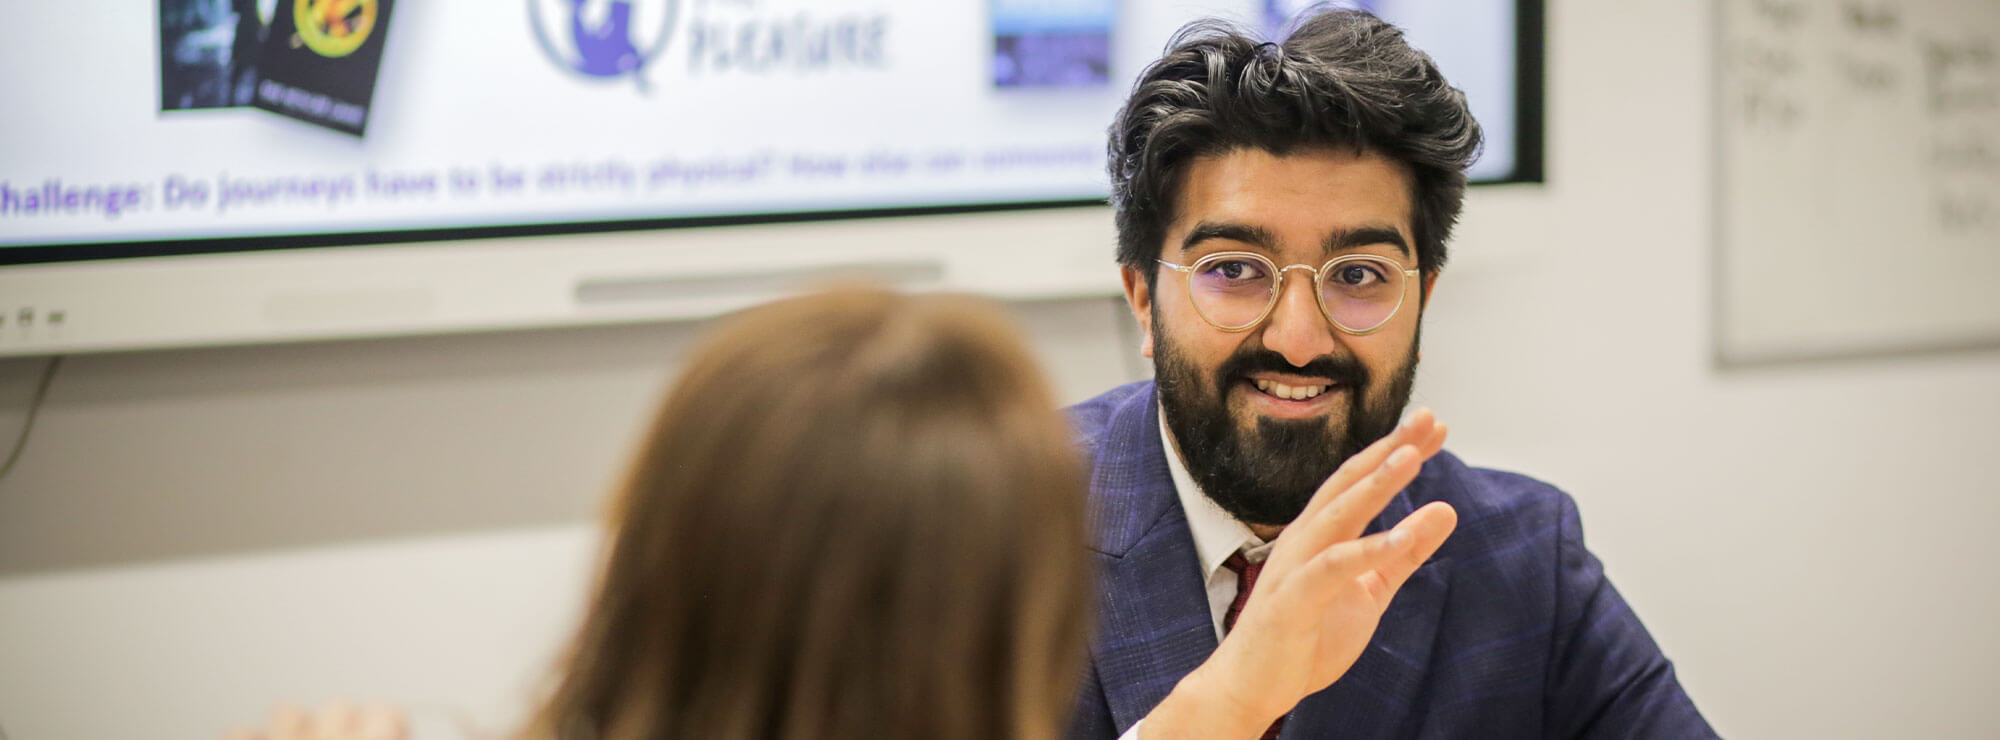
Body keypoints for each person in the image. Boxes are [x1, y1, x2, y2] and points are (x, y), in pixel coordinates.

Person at [1064, 10, 1717, 739]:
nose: (1300, 339)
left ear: (1422, 298)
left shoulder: (1522, 560)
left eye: (1359, 275)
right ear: (1145, 300)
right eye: (1236, 270)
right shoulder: (981, 532)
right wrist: (1228, 706)